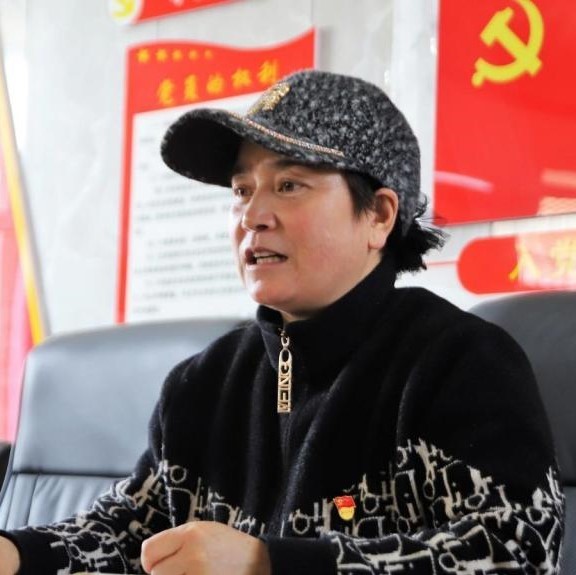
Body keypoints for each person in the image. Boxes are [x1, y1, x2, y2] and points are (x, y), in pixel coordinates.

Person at [0, 70, 564, 574]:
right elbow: (128, 533)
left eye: (289, 185)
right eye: (242, 190)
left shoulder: (459, 363)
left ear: (379, 215)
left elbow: (512, 551)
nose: (252, 216)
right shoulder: (201, 383)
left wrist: (269, 564)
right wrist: (16, 555)